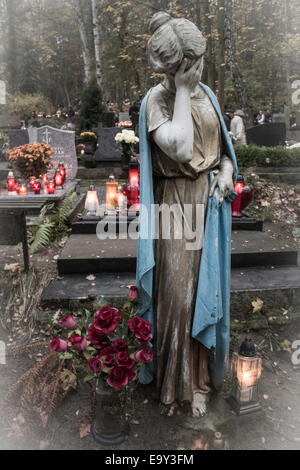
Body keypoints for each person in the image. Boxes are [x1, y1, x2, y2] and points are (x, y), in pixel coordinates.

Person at [136, 12, 238, 417]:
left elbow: (223, 153)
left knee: (205, 293)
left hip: (209, 205)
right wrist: (180, 90)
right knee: (178, 296)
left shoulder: (208, 94)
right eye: (190, 65)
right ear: (175, 68)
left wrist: (227, 172)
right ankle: (172, 380)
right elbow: (178, 149)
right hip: (175, 206)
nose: (198, 70)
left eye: (199, 62)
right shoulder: (156, 101)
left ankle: (198, 382)